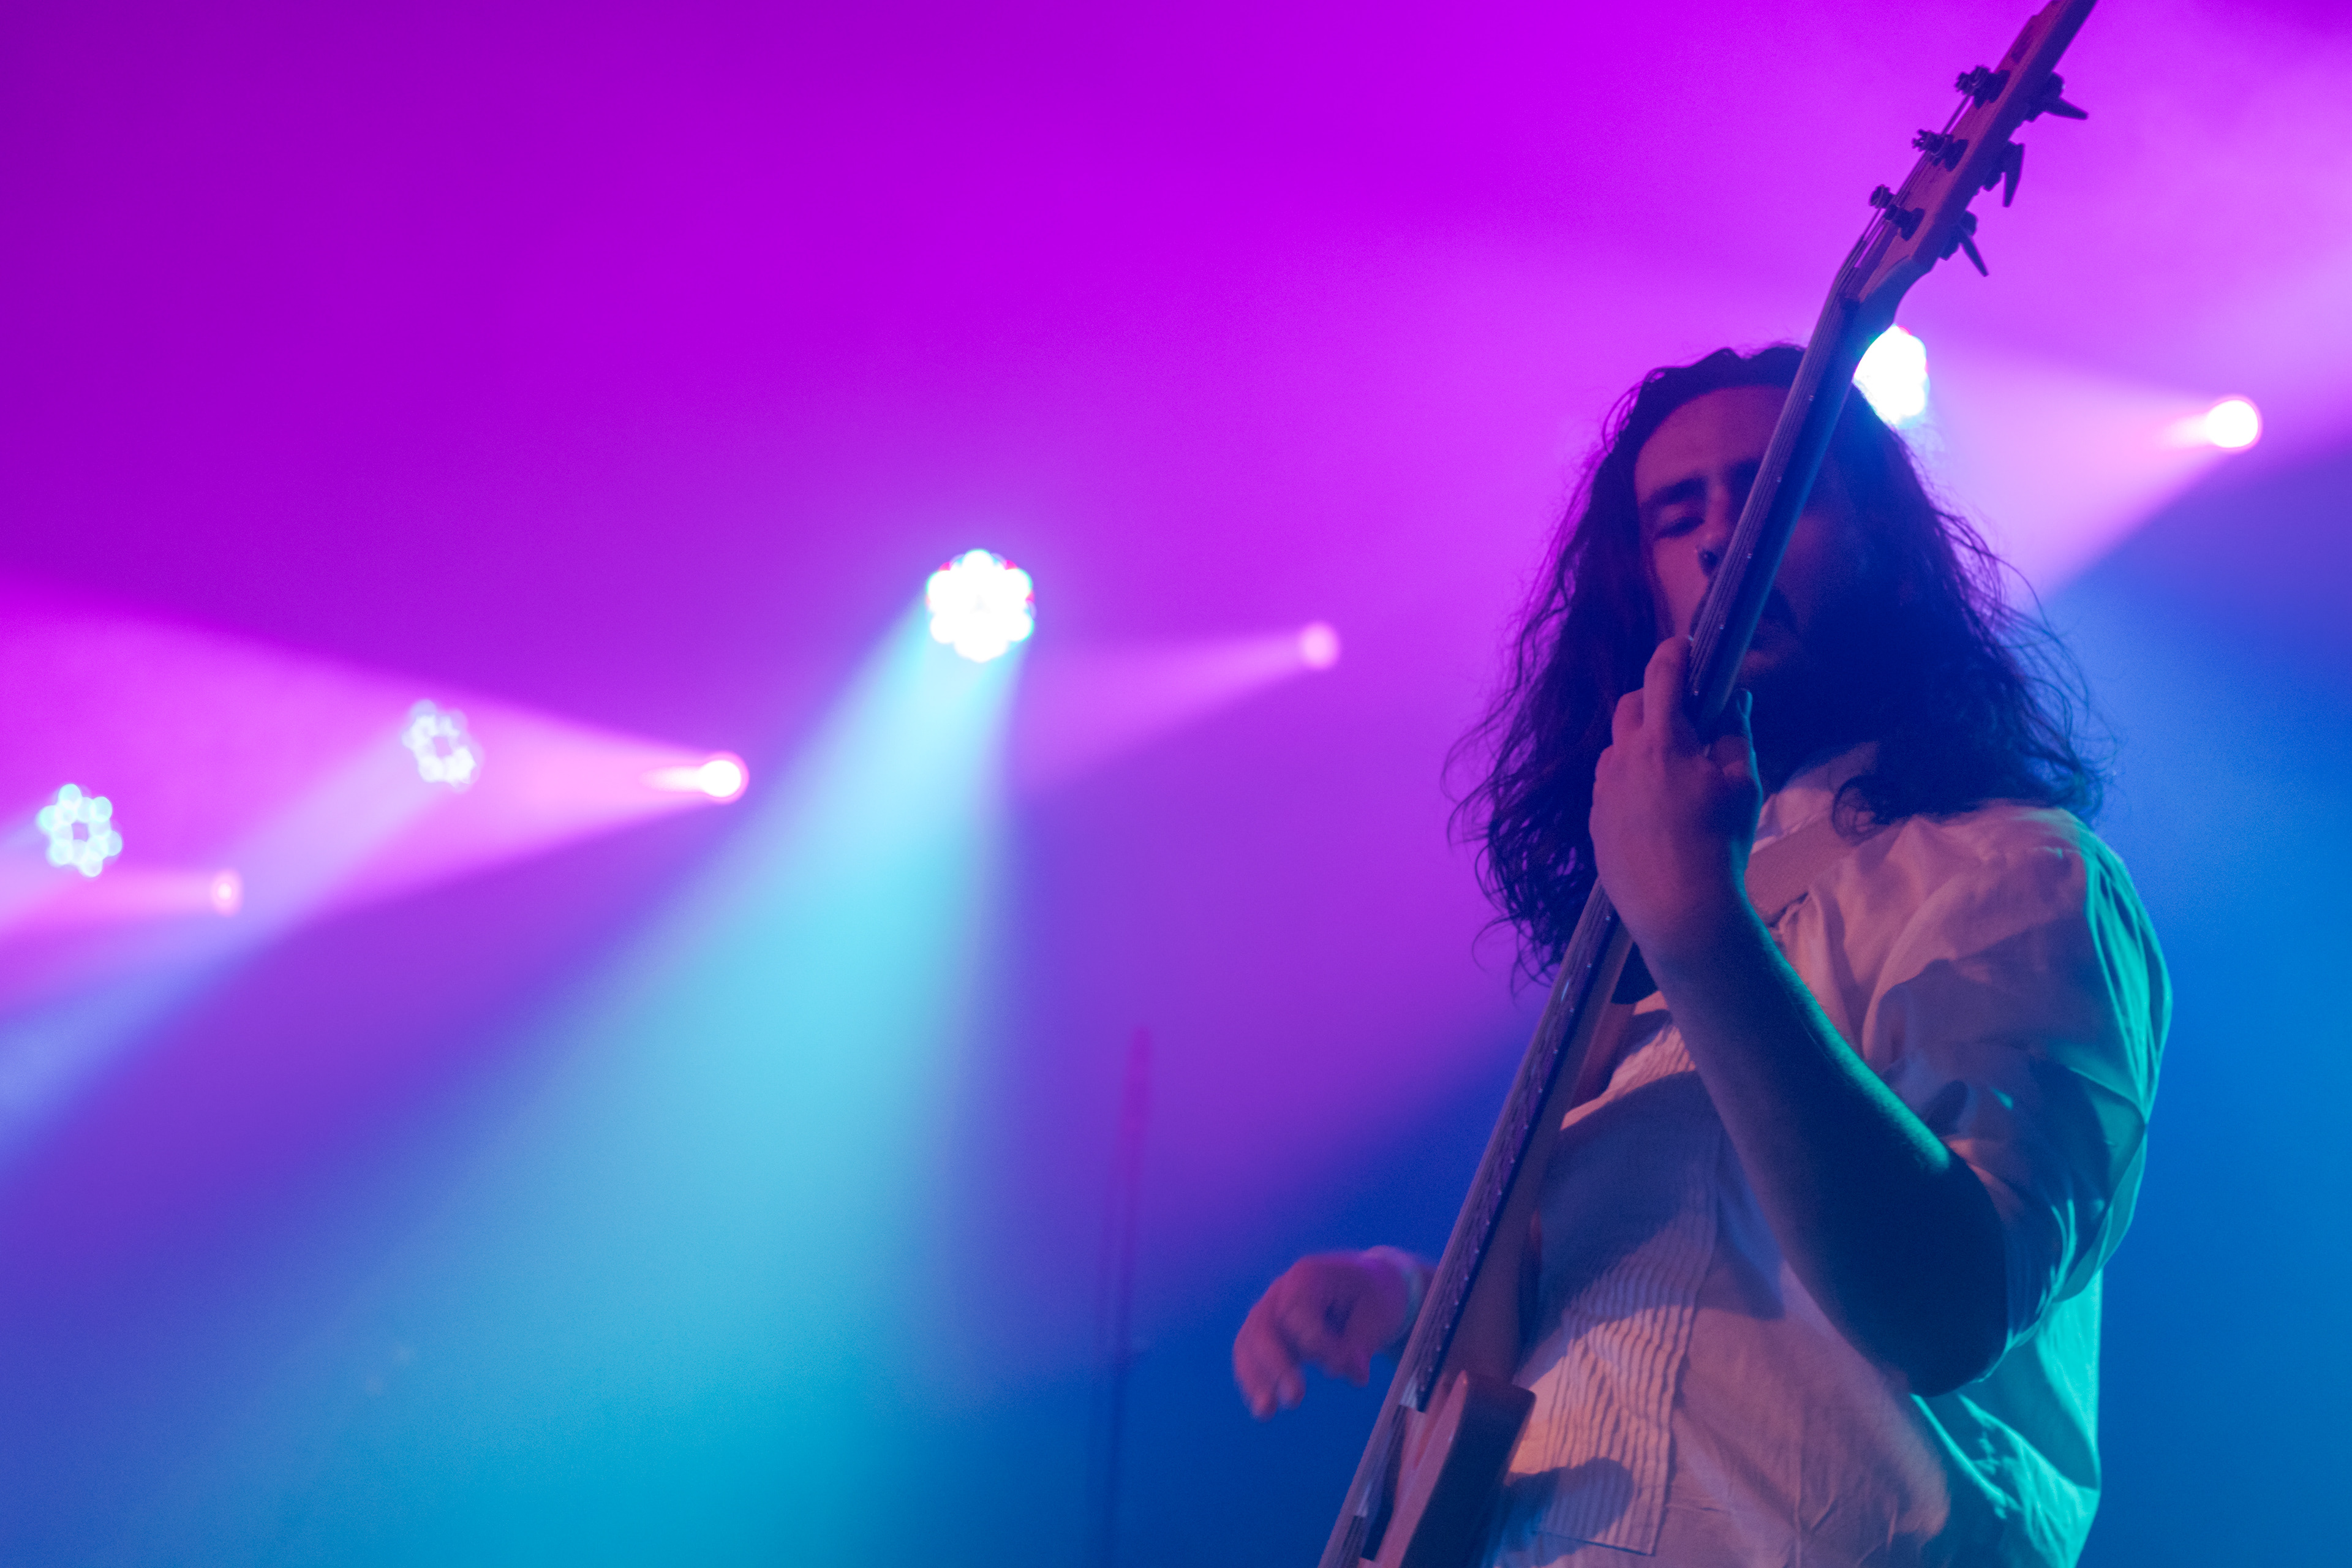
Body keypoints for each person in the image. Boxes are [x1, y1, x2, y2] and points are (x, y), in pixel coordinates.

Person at [1232, 345, 2168, 1567]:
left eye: (1779, 491)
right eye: (1680, 514)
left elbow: (1948, 1300)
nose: (1726, 538)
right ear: (1643, 588)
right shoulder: (1629, 956)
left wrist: (1700, 930)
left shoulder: (2012, 872)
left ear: (1885, 543)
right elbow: (1653, 1294)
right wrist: (1414, 1292)